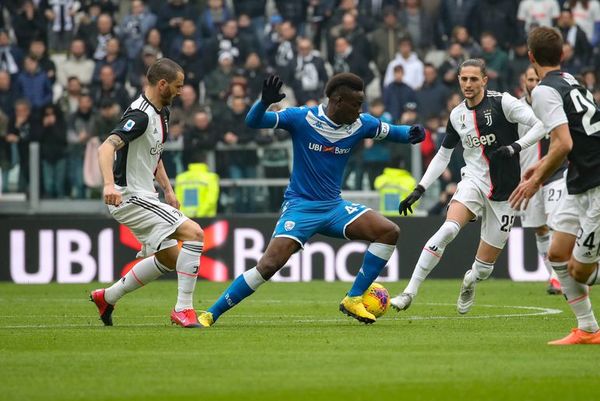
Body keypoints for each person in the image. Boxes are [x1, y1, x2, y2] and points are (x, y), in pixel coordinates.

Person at [196, 73, 425, 327]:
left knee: (388, 231)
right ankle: (210, 314)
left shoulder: (361, 124)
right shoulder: (301, 118)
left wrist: (413, 132)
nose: (360, 111)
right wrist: (263, 103)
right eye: (356, 104)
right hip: (300, 207)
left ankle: (353, 297)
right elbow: (254, 121)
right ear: (337, 101)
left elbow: (394, 132)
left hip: (334, 206)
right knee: (269, 265)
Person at [390, 59, 546, 315]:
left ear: (485, 80)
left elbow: (540, 125)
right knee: (448, 229)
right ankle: (409, 292)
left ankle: (470, 279)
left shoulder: (503, 103)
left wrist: (514, 147)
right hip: (473, 181)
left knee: (484, 269)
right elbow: (443, 155)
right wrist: (420, 188)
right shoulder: (457, 115)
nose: (468, 84)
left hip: (505, 193)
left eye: (474, 79)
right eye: (464, 79)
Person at [90, 58, 205, 328]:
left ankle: (107, 297)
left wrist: (168, 189)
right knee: (195, 234)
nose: (181, 91)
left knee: (170, 259)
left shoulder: (162, 112)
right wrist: (108, 184)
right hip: (129, 197)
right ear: (162, 84)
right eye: (178, 86)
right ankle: (183, 310)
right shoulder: (140, 116)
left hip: (146, 195)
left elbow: (154, 154)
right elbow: (106, 148)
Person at [509, 27, 600, 345]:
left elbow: (563, 142)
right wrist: (542, 165)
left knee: (581, 272)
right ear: (562, 55)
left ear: (531, 57)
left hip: (596, 183)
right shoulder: (571, 80)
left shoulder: (544, 91)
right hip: (581, 179)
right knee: (558, 254)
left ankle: (589, 329)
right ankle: (588, 329)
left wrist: (536, 179)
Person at [514, 66, 566, 295]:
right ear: (524, 81)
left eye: (537, 79)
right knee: (539, 228)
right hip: (528, 176)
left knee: (558, 223)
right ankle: (553, 275)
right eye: (530, 79)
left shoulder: (551, 102)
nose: (534, 83)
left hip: (554, 172)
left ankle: (558, 278)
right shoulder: (514, 108)